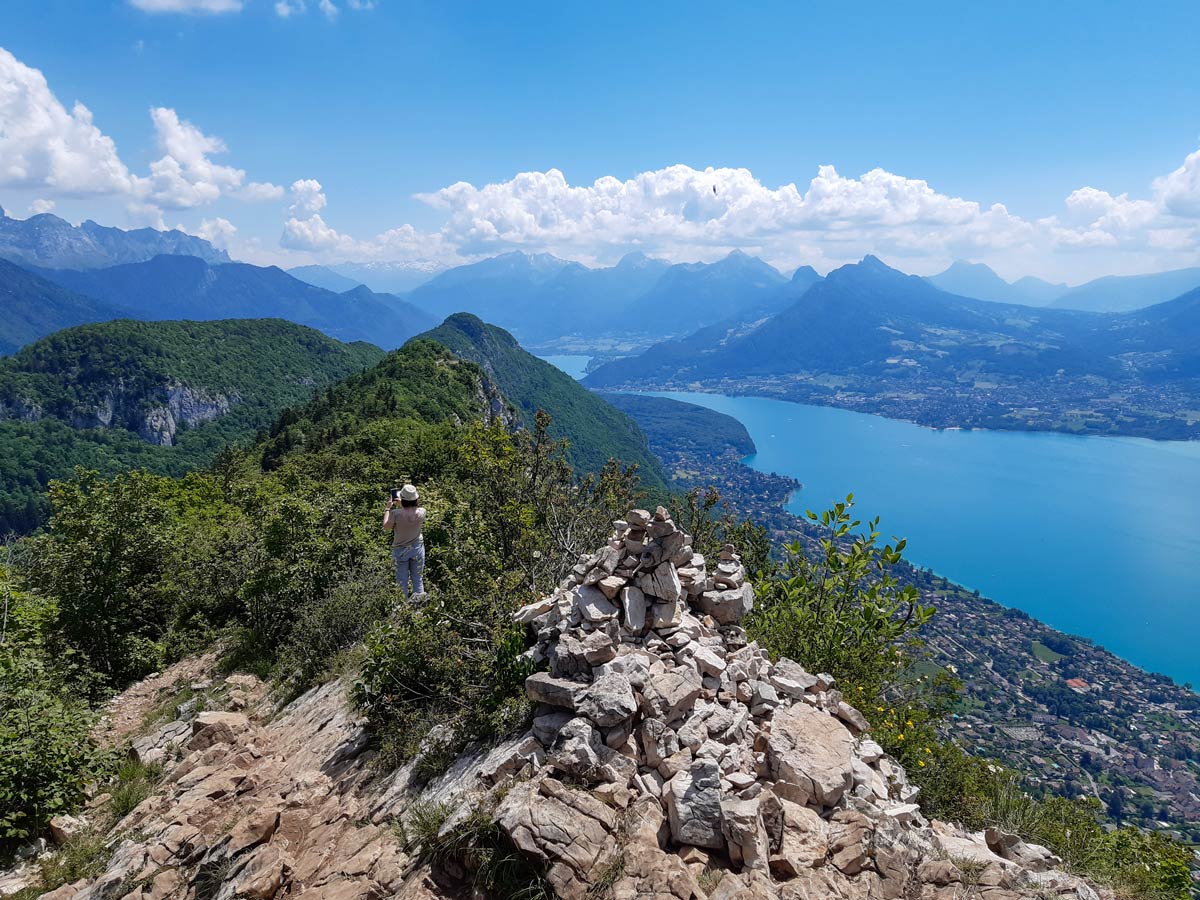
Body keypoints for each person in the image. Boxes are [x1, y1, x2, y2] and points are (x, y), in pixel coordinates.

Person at [384, 483, 426, 598]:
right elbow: (413, 510)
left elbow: (386, 526)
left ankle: (403, 609)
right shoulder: (422, 512)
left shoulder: (395, 514)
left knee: (402, 582)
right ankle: (419, 609)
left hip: (400, 550)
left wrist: (388, 508)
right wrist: (403, 503)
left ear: (402, 499)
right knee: (418, 579)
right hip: (417, 548)